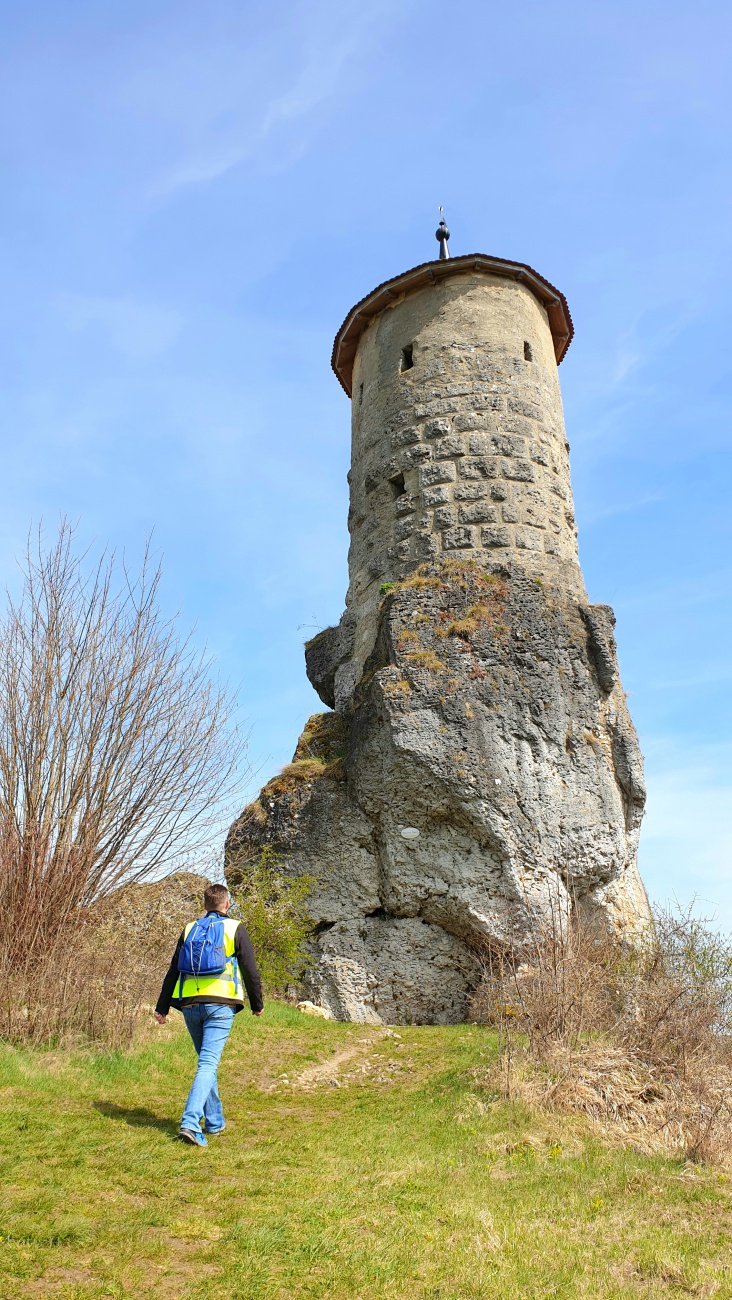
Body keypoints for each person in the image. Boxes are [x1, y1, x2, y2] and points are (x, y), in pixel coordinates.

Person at [154, 882, 263, 1147]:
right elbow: (250, 969)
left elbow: (173, 971)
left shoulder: (189, 928)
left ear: (204, 905)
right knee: (208, 1064)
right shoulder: (235, 927)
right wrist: (257, 1003)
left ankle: (214, 1121)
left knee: (206, 1062)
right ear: (227, 904)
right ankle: (190, 1123)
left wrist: (162, 1007)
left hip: (190, 1005)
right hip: (221, 1005)